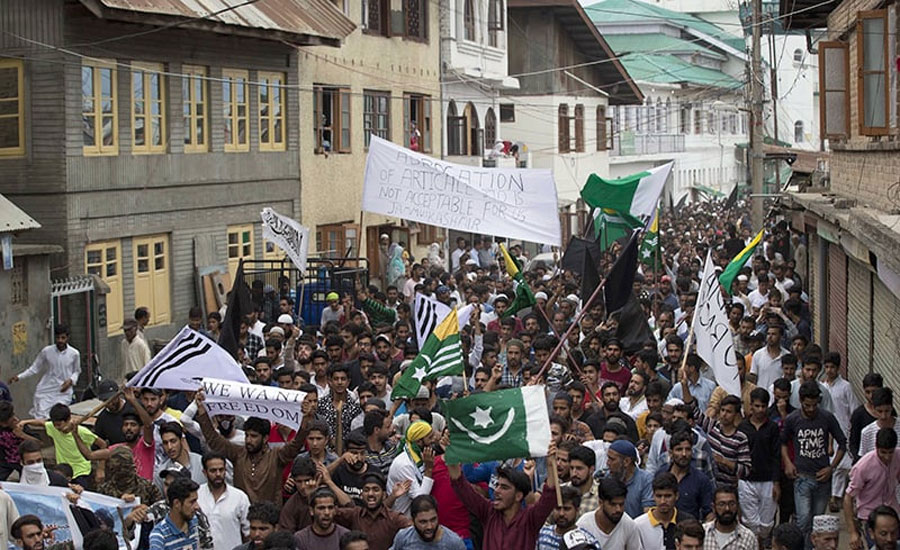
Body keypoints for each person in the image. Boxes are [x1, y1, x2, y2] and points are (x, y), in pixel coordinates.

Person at [194, 391, 312, 503]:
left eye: (254, 436)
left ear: (265, 438)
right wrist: (202, 411)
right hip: (243, 515)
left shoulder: (276, 456)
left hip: (270, 519)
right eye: (247, 435)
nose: (248, 440)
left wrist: (305, 419)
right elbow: (214, 440)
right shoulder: (238, 453)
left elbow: (296, 444)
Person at [781, 381, 847, 547]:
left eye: (814, 405)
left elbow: (842, 443)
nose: (811, 409)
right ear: (801, 401)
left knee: (817, 523)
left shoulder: (827, 417)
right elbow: (782, 443)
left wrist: (831, 468)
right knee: (803, 521)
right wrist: (788, 463)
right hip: (802, 478)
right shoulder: (792, 419)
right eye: (807, 405)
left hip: (823, 479)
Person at [448, 457, 558, 550]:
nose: (496, 491)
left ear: (518, 496)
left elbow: (549, 497)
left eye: (504, 487)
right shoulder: (488, 512)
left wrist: (550, 464)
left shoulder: (530, 519)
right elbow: (461, 486)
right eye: (497, 485)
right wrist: (452, 454)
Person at [737, 387, 781, 545]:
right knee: (750, 522)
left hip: (768, 481)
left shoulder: (773, 428)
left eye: (763, 406)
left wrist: (776, 482)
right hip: (747, 480)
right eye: (757, 406)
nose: (760, 410)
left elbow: (777, 456)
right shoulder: (742, 428)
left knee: (766, 524)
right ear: (751, 406)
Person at [844, 428, 900, 550]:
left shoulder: (898, 456)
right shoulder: (863, 467)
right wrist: (853, 532)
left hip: (892, 513)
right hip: (869, 516)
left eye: (890, 452)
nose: (887, 457)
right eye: (883, 452)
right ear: (876, 447)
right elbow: (848, 498)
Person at [8, 324, 80, 419]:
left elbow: (77, 371)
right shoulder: (47, 351)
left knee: (58, 415)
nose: (60, 341)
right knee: (41, 413)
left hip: (63, 390)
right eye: (58, 337)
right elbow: (35, 368)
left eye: (63, 338)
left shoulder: (74, 354)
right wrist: (19, 377)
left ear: (67, 338)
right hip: (46, 388)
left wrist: (70, 381)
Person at [330, 471, 411, 550]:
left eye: (375, 490)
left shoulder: (395, 519)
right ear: (361, 495)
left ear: (383, 495)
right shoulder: (354, 514)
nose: (370, 494)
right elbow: (328, 512)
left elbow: (413, 531)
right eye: (366, 490)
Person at [197, 452, 250, 550]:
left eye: (221, 470)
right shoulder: (196, 495)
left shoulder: (239, 497)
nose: (218, 474)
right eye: (213, 471)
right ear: (204, 472)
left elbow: (248, 532)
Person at [576, 477, 641, 550]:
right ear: (600, 503)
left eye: (621, 504)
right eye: (613, 504)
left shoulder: (629, 525)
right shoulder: (584, 525)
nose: (618, 509)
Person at [387, 421, 436, 515]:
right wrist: (429, 469)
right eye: (430, 437)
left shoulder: (419, 455)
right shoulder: (404, 464)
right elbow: (420, 498)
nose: (433, 440)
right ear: (418, 441)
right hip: (402, 518)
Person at [666, 430, 713, 521]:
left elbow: (709, 512)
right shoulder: (661, 474)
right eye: (679, 449)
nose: (684, 454)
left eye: (687, 449)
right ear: (671, 453)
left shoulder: (701, 480)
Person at [390, 495, 466, 549]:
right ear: (413, 521)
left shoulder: (453, 542)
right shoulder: (403, 537)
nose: (429, 526)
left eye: (433, 520)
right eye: (423, 522)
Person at [633, 472, 684, 550]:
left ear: (676, 496)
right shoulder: (638, 525)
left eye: (668, 496)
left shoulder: (686, 522)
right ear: (653, 496)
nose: (663, 501)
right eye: (659, 496)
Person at [149, 477, 202, 550]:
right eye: (192, 502)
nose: (197, 507)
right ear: (177, 503)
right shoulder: (159, 536)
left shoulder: (195, 522)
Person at [605, 439, 653, 518]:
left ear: (626, 461)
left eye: (612, 459)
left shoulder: (646, 480)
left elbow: (647, 514)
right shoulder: (607, 477)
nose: (607, 463)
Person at [701, 485, 756, 550]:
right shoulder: (703, 532)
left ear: (738, 506)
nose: (727, 509)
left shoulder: (748, 537)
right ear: (713, 507)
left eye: (732, 504)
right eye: (721, 504)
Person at [155, 422, 205, 490]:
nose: (169, 447)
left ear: (181, 440)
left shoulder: (201, 463)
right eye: (165, 443)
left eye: (173, 441)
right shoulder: (160, 473)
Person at [564, 446, 599, 517]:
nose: (574, 473)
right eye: (571, 468)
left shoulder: (601, 495)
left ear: (591, 469)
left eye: (579, 468)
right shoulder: (560, 490)